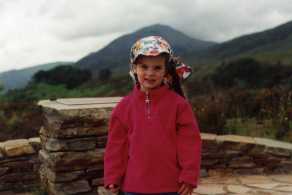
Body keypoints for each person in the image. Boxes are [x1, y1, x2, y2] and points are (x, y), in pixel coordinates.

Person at [104, 36, 201, 195]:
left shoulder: (179, 105)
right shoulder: (124, 107)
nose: (150, 73)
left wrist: (189, 175)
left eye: (157, 68)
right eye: (144, 67)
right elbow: (116, 147)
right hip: (133, 188)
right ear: (134, 68)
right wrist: (112, 177)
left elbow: (190, 143)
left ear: (166, 70)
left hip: (171, 186)